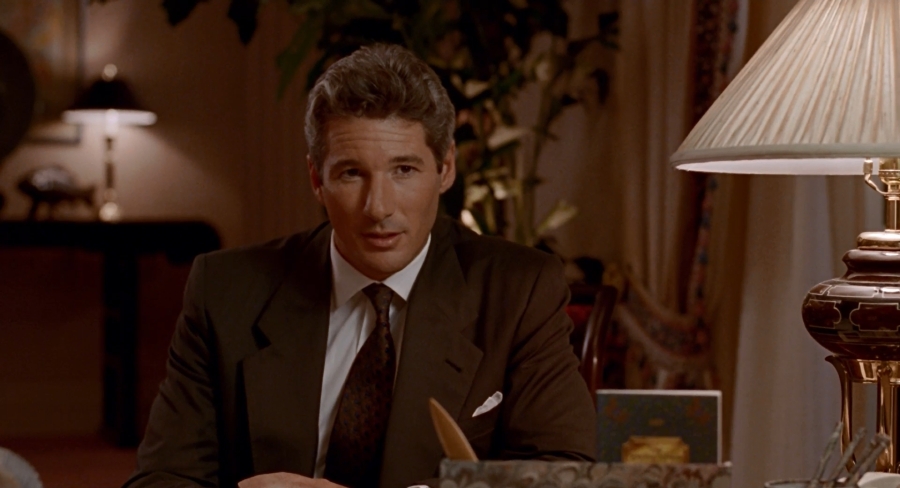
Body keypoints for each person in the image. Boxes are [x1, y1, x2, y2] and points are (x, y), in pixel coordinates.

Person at [124, 43, 596, 488]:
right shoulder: (225, 291)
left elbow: (561, 473)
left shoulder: (518, 291)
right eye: (352, 173)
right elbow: (163, 478)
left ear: (446, 168)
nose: (378, 207)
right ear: (317, 178)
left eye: (404, 170)